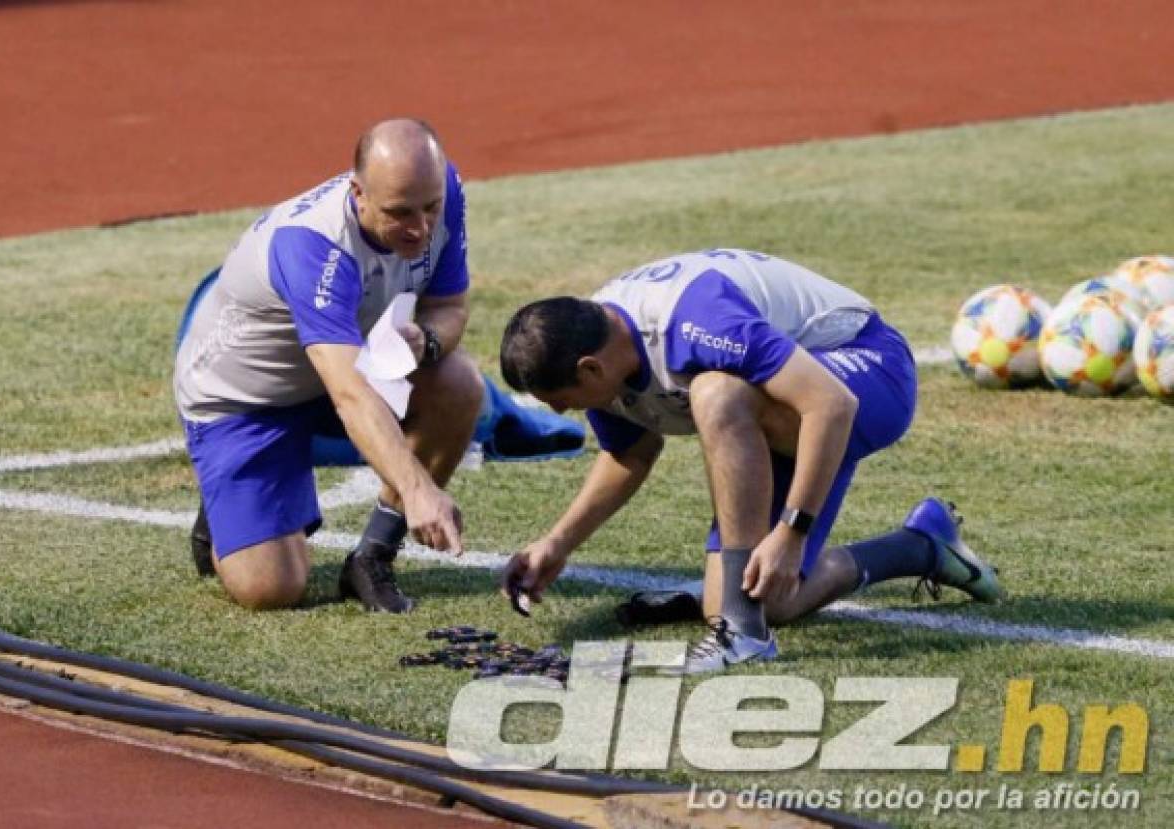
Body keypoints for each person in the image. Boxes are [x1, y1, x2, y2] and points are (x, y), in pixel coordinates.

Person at [498, 248, 1002, 673]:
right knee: (774, 603)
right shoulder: (602, 342)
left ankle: (742, 633)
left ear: (590, 368)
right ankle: (922, 546)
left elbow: (831, 405)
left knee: (716, 392)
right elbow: (630, 453)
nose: (562, 412)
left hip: (869, 371)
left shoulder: (693, 319)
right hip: (792, 408)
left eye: (559, 398)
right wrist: (557, 543)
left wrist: (791, 532)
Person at [174, 118, 483, 613]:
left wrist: (425, 343)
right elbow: (349, 394)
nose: (420, 228)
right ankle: (225, 508)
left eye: (430, 209)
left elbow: (450, 307)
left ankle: (372, 558)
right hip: (245, 404)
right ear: (358, 192)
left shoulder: (441, 187)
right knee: (271, 590)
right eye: (399, 213)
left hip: (338, 370)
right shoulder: (313, 247)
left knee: (459, 383)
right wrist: (418, 489)